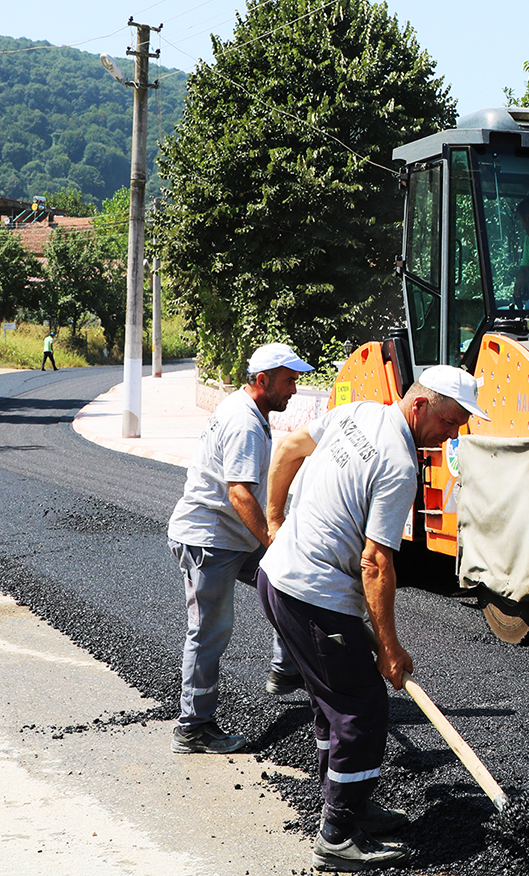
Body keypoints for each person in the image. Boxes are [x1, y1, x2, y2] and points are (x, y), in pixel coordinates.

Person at [258, 365, 485, 870]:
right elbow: (376, 561)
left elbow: (290, 447)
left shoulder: (359, 412)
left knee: (330, 703)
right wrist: (389, 646)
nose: (453, 434)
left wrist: (276, 522)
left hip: (277, 578)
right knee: (362, 708)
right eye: (450, 423)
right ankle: (338, 833)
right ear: (421, 406)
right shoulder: (401, 464)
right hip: (312, 594)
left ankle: (348, 803)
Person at [167, 342, 313, 755]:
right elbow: (239, 495)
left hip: (232, 536)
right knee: (210, 631)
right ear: (262, 380)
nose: (295, 390)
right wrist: (273, 542)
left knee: (288, 582)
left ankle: (285, 671)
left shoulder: (246, 408)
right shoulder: (246, 423)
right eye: (288, 382)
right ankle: (193, 728)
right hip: (209, 541)